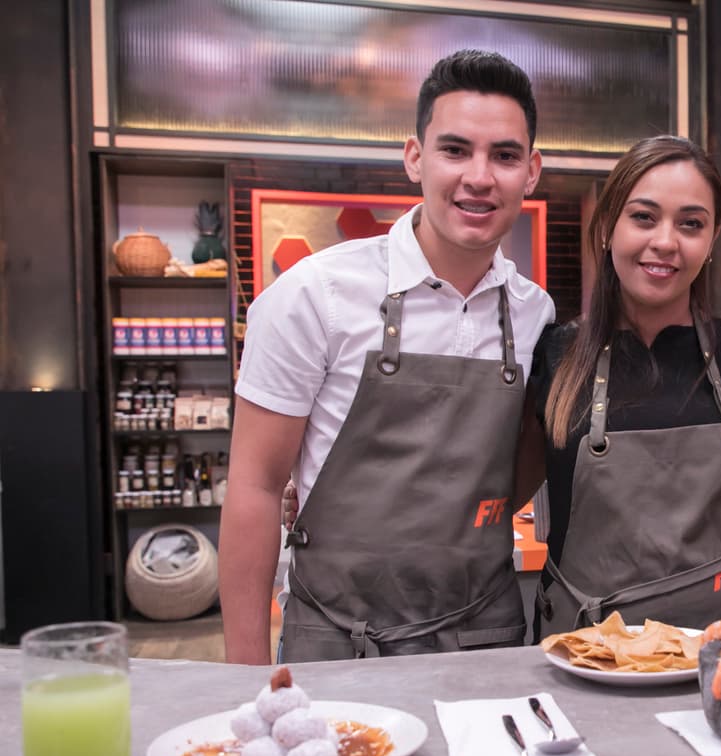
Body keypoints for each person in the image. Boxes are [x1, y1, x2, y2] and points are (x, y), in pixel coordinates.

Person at [218, 49, 555, 664]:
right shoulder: (312, 296)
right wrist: (243, 678)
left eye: (504, 156)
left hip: (485, 638)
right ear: (414, 158)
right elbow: (256, 487)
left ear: (530, 172)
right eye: (455, 150)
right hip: (339, 641)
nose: (479, 177)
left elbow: (515, 467)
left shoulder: (536, 315)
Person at [515, 135, 721, 638]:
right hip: (590, 654)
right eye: (643, 217)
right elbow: (508, 493)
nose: (665, 241)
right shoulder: (556, 357)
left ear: (713, 237)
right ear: (608, 226)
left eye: (691, 224)